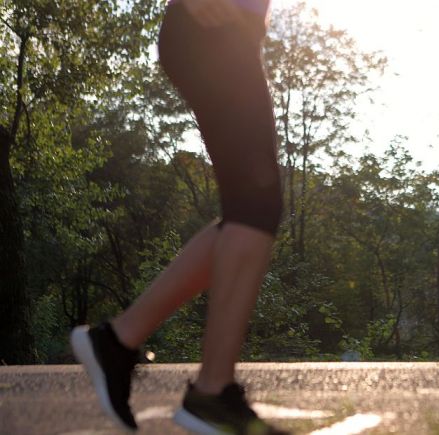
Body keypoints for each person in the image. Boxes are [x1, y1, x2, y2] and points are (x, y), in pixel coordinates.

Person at [70, 0, 288, 433]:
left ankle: (117, 341)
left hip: (228, 33)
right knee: (256, 208)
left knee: (249, 210)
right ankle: (210, 393)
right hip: (212, 27)